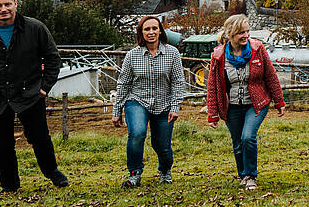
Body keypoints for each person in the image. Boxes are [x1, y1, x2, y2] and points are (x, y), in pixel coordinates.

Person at [0, 0, 69, 193]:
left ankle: (52, 171)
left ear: (15, 4)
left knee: (39, 137)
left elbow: (53, 59)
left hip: (30, 94)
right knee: (2, 144)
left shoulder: (35, 28)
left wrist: (44, 88)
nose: (3, 9)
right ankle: (9, 185)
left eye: (7, 4)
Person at [201, 15, 285, 189]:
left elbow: (270, 76)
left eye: (247, 31)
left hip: (256, 103)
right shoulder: (218, 55)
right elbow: (213, 86)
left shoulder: (257, 49)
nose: (246, 35)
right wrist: (212, 114)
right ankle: (243, 175)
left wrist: (279, 101)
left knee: (248, 137)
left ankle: (251, 175)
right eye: (241, 32)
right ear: (230, 34)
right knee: (238, 142)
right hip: (231, 107)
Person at [112, 16, 187, 187]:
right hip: (137, 101)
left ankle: (165, 171)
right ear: (141, 33)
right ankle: (134, 174)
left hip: (164, 104)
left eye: (154, 28)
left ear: (161, 31)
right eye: (147, 29)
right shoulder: (132, 55)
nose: (151, 32)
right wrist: (116, 111)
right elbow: (123, 83)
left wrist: (175, 107)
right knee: (137, 133)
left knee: (162, 145)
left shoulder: (172, 53)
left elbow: (178, 82)